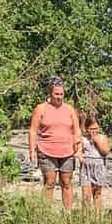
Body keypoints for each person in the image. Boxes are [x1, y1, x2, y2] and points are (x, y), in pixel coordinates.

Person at [28, 77, 81, 211]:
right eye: (56, 94)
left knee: (67, 183)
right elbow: (33, 130)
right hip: (46, 151)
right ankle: (46, 213)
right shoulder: (41, 108)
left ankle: (67, 212)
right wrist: (32, 150)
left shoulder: (69, 109)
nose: (59, 97)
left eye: (61, 94)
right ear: (50, 93)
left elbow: (77, 131)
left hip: (67, 152)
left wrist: (78, 149)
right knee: (50, 182)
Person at [79, 112, 112, 209]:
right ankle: (85, 216)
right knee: (86, 194)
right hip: (86, 169)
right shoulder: (83, 139)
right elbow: (79, 151)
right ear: (86, 129)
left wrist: (97, 142)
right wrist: (80, 157)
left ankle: (97, 216)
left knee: (97, 193)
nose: (94, 131)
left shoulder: (102, 137)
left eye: (96, 128)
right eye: (91, 129)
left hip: (99, 168)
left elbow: (106, 152)